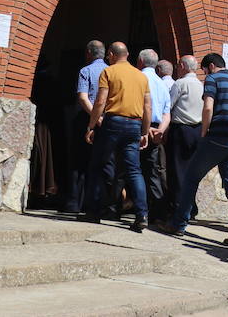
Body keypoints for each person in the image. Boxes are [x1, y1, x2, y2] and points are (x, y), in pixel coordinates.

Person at [159, 52, 228, 249]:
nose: (204, 73)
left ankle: (178, 224)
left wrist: (204, 133)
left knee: (190, 178)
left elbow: (208, 107)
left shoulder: (213, 79)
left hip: (218, 138)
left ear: (210, 66)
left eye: (204, 69)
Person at [83, 42, 152, 232]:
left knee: (98, 165)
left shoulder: (109, 72)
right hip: (134, 126)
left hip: (113, 122)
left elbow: (100, 101)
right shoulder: (141, 76)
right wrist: (145, 132)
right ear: (128, 54)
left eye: (108, 56)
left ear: (112, 55)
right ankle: (142, 215)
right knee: (134, 171)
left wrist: (91, 125)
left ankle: (94, 212)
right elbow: (147, 107)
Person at [66, 39, 107, 213]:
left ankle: (75, 203)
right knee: (100, 162)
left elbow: (83, 98)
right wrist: (100, 117)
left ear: (89, 53)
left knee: (79, 162)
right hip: (107, 119)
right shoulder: (111, 71)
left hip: (87, 117)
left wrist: (94, 117)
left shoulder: (86, 70)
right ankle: (96, 204)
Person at [165, 55, 204, 224]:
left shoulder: (180, 84)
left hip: (181, 129)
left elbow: (169, 106)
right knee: (191, 171)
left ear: (182, 66)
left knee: (177, 171)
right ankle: (192, 206)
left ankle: (179, 207)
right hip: (198, 130)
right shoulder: (202, 85)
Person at [137, 49, 171, 222]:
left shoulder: (138, 77)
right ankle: (157, 213)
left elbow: (141, 106)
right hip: (157, 128)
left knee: (131, 169)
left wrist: (146, 128)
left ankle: (126, 208)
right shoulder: (162, 83)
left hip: (140, 126)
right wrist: (160, 130)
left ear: (140, 61)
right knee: (153, 171)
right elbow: (167, 113)